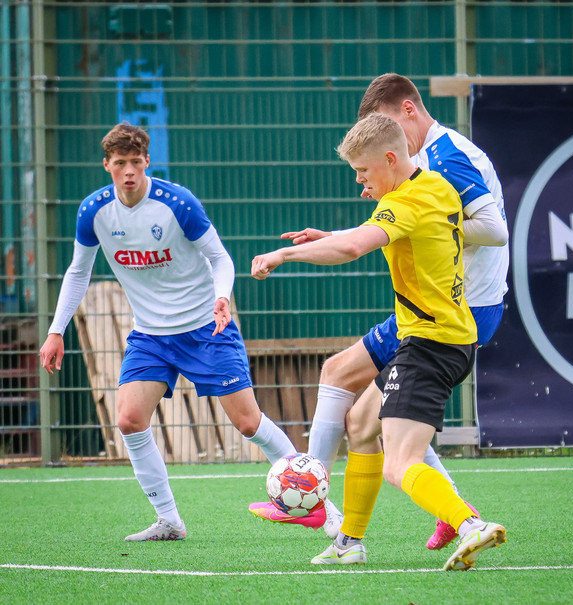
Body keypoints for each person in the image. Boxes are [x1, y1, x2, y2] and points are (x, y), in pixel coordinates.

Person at [249, 73, 509, 549]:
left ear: (392, 154)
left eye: (363, 172)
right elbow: (395, 225)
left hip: (433, 337)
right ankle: (348, 542)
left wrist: (284, 254)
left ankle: (466, 521)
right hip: (445, 331)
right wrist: (353, 228)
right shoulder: (432, 184)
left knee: (398, 461)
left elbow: (364, 244)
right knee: (362, 422)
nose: (360, 183)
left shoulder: (426, 181)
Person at [39, 123, 297, 542]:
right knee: (129, 419)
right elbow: (78, 272)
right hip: (150, 337)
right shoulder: (93, 211)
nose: (128, 172)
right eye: (119, 163)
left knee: (248, 423)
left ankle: (317, 501)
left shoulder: (178, 203)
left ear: (147, 162)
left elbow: (220, 258)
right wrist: (56, 331)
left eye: (135, 162)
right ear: (106, 165)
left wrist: (222, 298)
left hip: (205, 328)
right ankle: (169, 520)